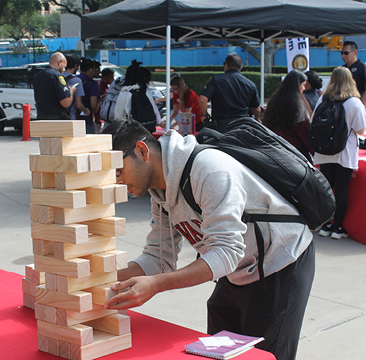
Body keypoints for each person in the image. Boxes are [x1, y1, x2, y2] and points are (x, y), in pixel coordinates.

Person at [101, 119, 314, 360]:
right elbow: (158, 258)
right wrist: (98, 278)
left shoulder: (209, 170)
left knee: (263, 356)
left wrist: (156, 284)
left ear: (142, 150)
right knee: (216, 351)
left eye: (117, 171)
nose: (116, 181)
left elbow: (226, 253)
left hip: (280, 263)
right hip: (236, 269)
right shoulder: (159, 194)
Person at [314, 67, 366, 239]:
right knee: (342, 190)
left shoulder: (323, 99)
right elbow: (361, 129)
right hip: (344, 151)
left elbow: (312, 121)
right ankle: (338, 228)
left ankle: (325, 225)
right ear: (350, 80)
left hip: (324, 151)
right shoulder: (354, 102)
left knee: (327, 189)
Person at [199, 54, 261, 132]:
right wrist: (257, 119)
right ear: (241, 67)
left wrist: (204, 115)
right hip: (243, 128)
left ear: (226, 65)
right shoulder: (250, 84)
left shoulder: (216, 80)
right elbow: (257, 109)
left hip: (222, 127)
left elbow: (202, 100)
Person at [263, 70, 313, 162]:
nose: (304, 88)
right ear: (298, 85)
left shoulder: (274, 100)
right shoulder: (299, 104)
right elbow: (303, 131)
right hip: (296, 150)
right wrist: (313, 151)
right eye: (303, 85)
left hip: (275, 147)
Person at [114, 64, 161, 133]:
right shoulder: (146, 91)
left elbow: (118, 116)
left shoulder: (125, 92)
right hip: (147, 130)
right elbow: (153, 110)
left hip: (131, 132)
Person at [33, 52, 76, 120]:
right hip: (56, 119)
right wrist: (71, 91)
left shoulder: (38, 76)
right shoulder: (57, 76)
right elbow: (66, 103)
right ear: (60, 62)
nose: (63, 70)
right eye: (64, 67)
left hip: (41, 117)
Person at [341, 41, 366, 105]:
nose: (343, 56)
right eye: (341, 53)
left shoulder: (363, 68)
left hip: (355, 104)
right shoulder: (342, 69)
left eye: (346, 53)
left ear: (355, 52)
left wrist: (359, 106)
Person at [62, 54, 90, 121]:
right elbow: (78, 104)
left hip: (56, 117)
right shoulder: (76, 81)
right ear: (75, 66)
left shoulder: (56, 78)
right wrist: (86, 111)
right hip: (70, 117)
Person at [76, 58, 100, 133]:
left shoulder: (74, 79)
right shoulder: (92, 84)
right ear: (90, 70)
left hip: (73, 117)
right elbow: (93, 105)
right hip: (86, 119)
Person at [94, 67, 115, 133]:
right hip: (98, 120)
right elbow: (95, 103)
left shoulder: (108, 86)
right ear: (105, 78)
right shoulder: (99, 87)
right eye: (111, 78)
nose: (113, 80)